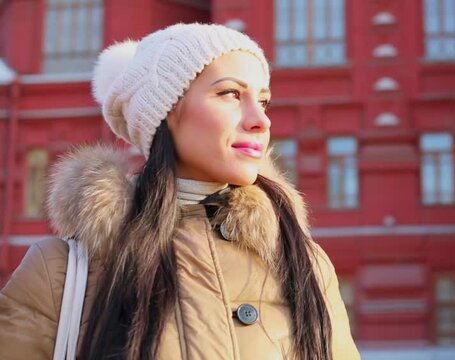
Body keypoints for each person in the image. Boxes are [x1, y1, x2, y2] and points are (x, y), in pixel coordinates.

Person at [0, 23, 359, 360]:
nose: (260, 120)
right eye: (231, 94)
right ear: (165, 112)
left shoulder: (303, 261)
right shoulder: (60, 272)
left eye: (262, 100)